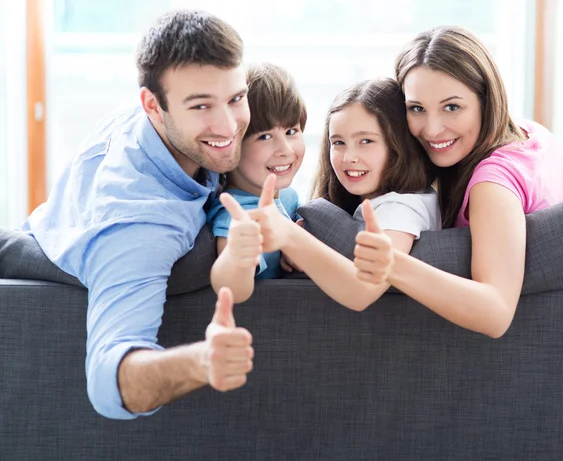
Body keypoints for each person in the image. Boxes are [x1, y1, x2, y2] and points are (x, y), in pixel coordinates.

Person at [19, 10, 255, 420]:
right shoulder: (138, 227)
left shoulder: (151, 124)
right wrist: (201, 361)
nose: (229, 124)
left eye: (236, 98)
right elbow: (110, 383)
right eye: (201, 106)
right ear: (152, 105)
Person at [353, 26, 563, 338]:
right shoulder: (530, 134)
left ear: (485, 100)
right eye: (417, 109)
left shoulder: (492, 187)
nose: (433, 129)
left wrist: (392, 263)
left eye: (452, 107)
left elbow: (496, 313)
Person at [244, 78, 440, 311]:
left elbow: (363, 290)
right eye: (338, 142)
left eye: (366, 141)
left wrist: (293, 240)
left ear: (399, 145)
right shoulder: (377, 201)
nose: (349, 157)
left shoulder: (400, 208)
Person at [208, 62, 307, 302]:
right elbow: (233, 289)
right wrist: (239, 257)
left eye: (291, 131)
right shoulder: (238, 215)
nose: (285, 150)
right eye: (264, 136)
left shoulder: (287, 195)